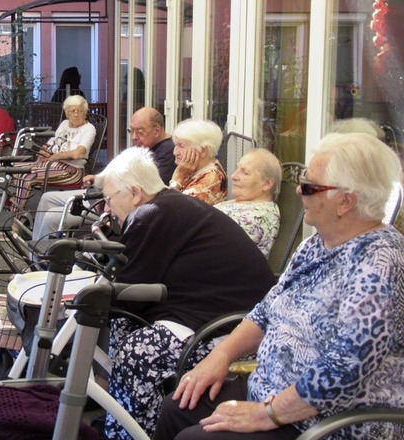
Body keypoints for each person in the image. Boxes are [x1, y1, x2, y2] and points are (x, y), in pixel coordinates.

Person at [153, 132, 404, 440]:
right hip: (273, 390)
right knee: (177, 407)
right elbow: (267, 308)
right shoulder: (317, 244)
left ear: (345, 201)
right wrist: (220, 356)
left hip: (329, 422)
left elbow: (342, 371)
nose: (298, 190)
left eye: (310, 185)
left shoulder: (380, 264)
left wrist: (266, 413)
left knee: (195, 437)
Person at [94, 147, 277, 439]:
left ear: (135, 193)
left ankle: (127, 432)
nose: (106, 208)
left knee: (138, 352)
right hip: (210, 312)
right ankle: (125, 417)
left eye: (109, 198)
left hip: (231, 329)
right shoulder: (168, 206)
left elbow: (129, 293)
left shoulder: (151, 215)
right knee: (122, 323)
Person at [31, 106, 175, 242]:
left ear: (157, 131)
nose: (134, 137)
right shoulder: (145, 145)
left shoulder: (167, 153)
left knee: (51, 216)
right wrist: (100, 178)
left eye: (140, 132)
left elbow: (147, 189)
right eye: (131, 131)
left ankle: (42, 263)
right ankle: (34, 253)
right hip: (102, 193)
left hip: (109, 202)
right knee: (47, 198)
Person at [12, 94, 95, 212]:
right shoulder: (64, 124)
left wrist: (55, 157)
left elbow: (78, 154)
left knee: (27, 176)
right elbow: (53, 142)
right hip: (52, 165)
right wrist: (43, 152)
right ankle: (10, 207)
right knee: (11, 169)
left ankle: (15, 217)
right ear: (66, 112)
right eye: (72, 111)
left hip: (72, 170)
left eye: (80, 111)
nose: (76, 114)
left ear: (85, 112)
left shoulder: (89, 128)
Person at [214, 148, 282, 257]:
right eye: (237, 169)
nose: (234, 176)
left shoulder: (255, 219)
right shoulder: (245, 201)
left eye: (245, 172)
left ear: (267, 184)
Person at [169, 119, 227, 205]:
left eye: (181, 146)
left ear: (203, 151)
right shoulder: (194, 169)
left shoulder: (210, 179)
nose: (175, 152)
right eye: (176, 145)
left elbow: (169, 210)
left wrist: (176, 180)